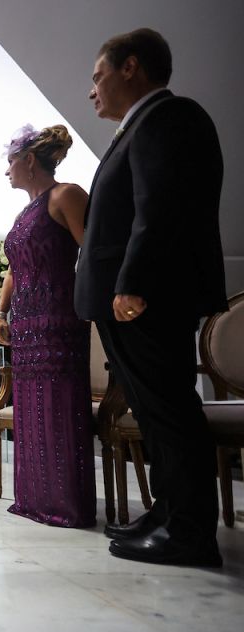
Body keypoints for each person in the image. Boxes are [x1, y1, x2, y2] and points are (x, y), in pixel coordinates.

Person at [75, 28, 226, 566]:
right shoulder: (138, 126)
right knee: (153, 411)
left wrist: (132, 282)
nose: (92, 90)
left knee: (169, 411)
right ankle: (167, 513)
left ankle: (189, 533)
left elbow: (158, 208)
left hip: (145, 295)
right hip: (127, 297)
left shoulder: (169, 118)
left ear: (130, 67)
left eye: (98, 76)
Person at [0, 124, 95, 528]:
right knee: (32, 406)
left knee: (58, 404)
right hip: (26, 322)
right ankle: (36, 497)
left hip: (58, 317)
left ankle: (66, 503)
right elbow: (14, 270)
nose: (7, 172)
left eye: (10, 163)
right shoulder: (23, 213)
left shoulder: (66, 194)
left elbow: (94, 250)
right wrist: (2, 313)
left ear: (29, 161)